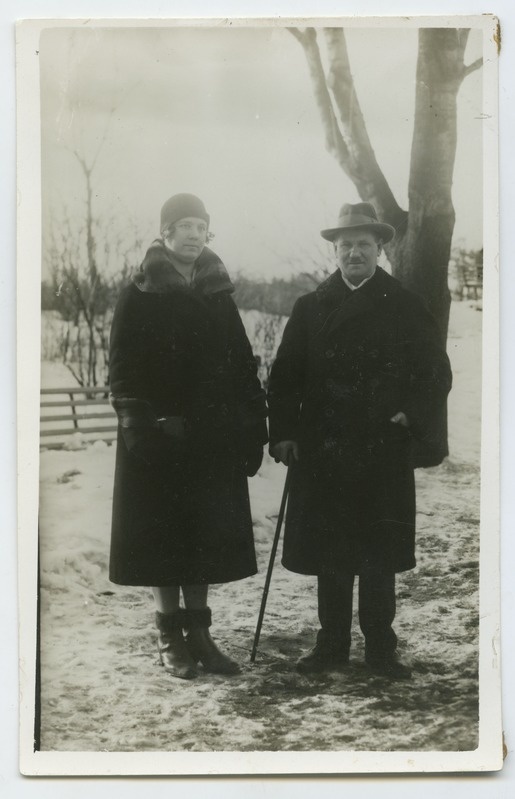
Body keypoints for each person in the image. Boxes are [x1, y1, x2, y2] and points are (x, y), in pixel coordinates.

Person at [268, 202, 452, 680]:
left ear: (380, 249)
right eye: (345, 245)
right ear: (334, 250)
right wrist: (285, 433)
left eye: (363, 245)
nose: (354, 252)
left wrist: (409, 413)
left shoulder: (405, 304)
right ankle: (330, 645)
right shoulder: (310, 307)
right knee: (331, 553)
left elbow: (434, 372)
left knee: (377, 553)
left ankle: (380, 649)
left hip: (380, 448)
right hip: (323, 450)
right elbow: (284, 378)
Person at [109, 193, 267, 680]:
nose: (195, 234)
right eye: (185, 226)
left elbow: (243, 363)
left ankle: (200, 635)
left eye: (202, 226)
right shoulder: (139, 292)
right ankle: (168, 636)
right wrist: (142, 427)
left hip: (209, 438)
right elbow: (123, 368)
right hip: (159, 439)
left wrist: (251, 426)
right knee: (161, 536)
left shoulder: (219, 292)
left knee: (202, 537)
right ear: (166, 233)